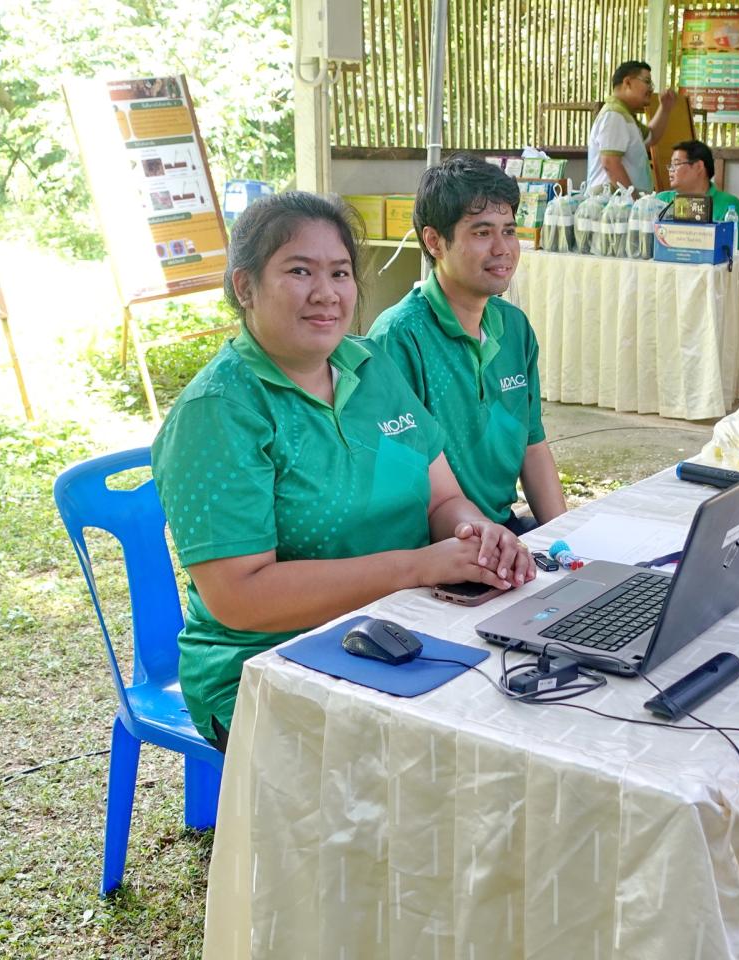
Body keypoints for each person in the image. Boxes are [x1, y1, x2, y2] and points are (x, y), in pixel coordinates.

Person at [151, 192, 534, 750]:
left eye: (340, 272)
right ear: (245, 287)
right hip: (266, 666)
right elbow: (240, 598)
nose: (326, 294)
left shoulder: (368, 365)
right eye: (299, 271)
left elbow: (441, 500)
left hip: (403, 624)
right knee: (457, 755)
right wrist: (417, 567)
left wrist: (476, 533)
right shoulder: (221, 411)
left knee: (529, 705)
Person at [368, 154, 566, 535]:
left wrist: (566, 540)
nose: (502, 248)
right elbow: (400, 484)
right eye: (481, 232)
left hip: (503, 531)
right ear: (434, 241)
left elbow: (532, 446)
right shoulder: (399, 336)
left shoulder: (514, 328)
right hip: (434, 547)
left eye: (509, 230)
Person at [586, 60, 678, 194]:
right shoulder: (614, 115)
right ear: (627, 82)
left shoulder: (625, 116)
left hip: (620, 199)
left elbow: (651, 137)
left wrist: (665, 108)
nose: (651, 88)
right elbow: (610, 163)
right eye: (647, 82)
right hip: (614, 201)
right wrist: (633, 198)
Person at [655, 139, 739, 250]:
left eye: (676, 163)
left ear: (699, 167)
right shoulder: (660, 201)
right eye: (670, 165)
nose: (670, 170)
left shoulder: (729, 206)